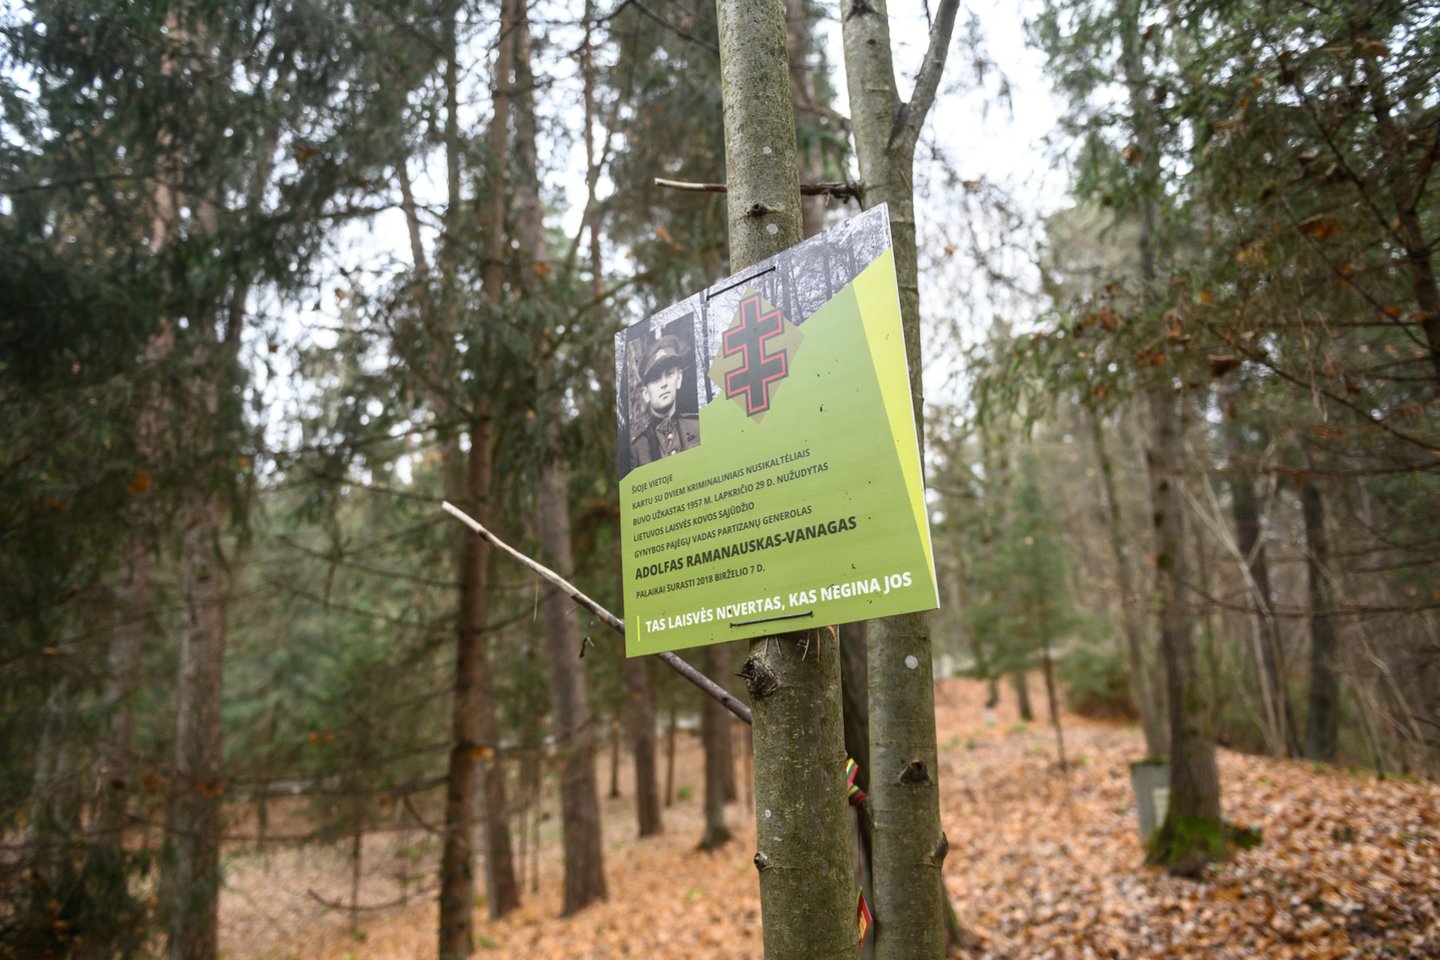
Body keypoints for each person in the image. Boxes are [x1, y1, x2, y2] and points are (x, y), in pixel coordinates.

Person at [629, 334, 701, 467]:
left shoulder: (698, 426)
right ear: (646, 394)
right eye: (656, 379)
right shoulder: (637, 449)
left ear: (678, 380)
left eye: (669, 374)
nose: (664, 384)